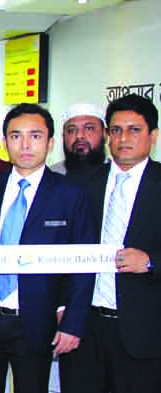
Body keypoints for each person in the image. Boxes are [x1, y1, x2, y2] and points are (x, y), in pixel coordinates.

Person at [0, 103, 96, 393]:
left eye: (35, 136)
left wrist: (73, 322)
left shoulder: (70, 194)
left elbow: (84, 264)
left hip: (37, 321)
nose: (25, 145)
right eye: (16, 136)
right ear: (4, 142)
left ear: (50, 143)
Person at [60, 94, 161, 393]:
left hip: (142, 331)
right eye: (116, 130)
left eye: (134, 130)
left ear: (152, 136)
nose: (123, 138)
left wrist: (151, 261)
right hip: (84, 326)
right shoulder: (80, 184)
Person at [50, 103, 107, 175]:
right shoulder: (51, 175)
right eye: (71, 130)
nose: (79, 135)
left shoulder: (117, 175)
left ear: (105, 134)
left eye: (89, 128)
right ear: (63, 137)